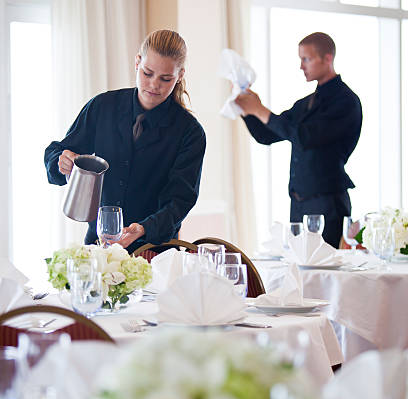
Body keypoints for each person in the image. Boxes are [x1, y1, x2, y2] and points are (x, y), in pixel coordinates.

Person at [44, 29, 206, 253]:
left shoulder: (190, 132)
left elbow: (180, 201)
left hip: (154, 251)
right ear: (137, 62)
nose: (154, 85)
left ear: (179, 75)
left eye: (165, 79)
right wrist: (60, 161)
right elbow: (59, 150)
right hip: (99, 247)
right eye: (148, 73)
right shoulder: (102, 107)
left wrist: (144, 228)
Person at [235, 32, 362, 248]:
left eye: (307, 59)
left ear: (328, 58)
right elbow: (266, 135)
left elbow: (304, 137)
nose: (301, 66)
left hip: (327, 202)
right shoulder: (305, 104)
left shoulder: (346, 101)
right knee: (302, 273)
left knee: (323, 272)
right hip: (298, 203)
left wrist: (261, 109)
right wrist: (247, 109)